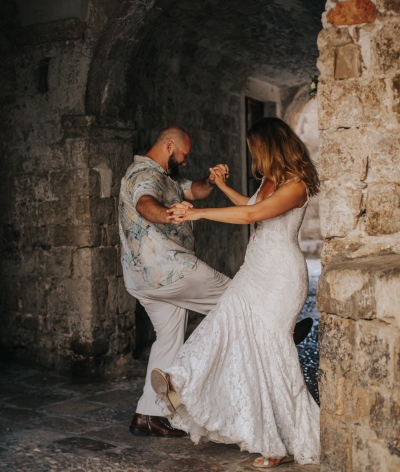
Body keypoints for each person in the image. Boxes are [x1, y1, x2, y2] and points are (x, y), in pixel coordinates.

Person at [120, 124, 313, 439]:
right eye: (184, 153)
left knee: (171, 338)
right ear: (170, 145)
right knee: (237, 306)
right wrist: (168, 215)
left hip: (144, 279)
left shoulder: (165, 178)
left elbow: (208, 196)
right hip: (170, 270)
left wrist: (214, 183)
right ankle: (189, 383)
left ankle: (149, 414)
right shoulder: (144, 175)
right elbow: (145, 203)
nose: (185, 160)